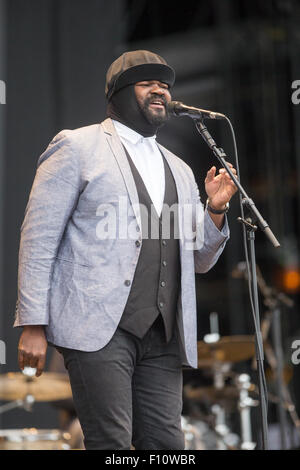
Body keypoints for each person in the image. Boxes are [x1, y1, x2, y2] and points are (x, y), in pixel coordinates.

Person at [15, 50, 238, 450]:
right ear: (118, 92)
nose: (160, 90)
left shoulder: (180, 169)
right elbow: (38, 236)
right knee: (111, 445)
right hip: (99, 327)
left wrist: (216, 209)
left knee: (167, 448)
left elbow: (199, 260)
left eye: (165, 84)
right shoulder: (76, 146)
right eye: (146, 82)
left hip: (164, 333)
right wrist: (34, 324)